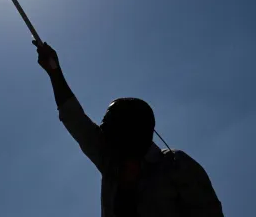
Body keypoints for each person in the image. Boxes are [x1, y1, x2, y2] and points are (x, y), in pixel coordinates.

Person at [34, 41, 224, 217]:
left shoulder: (176, 165)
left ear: (131, 131)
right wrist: (54, 73)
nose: (102, 130)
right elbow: (74, 118)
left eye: (109, 126)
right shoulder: (110, 160)